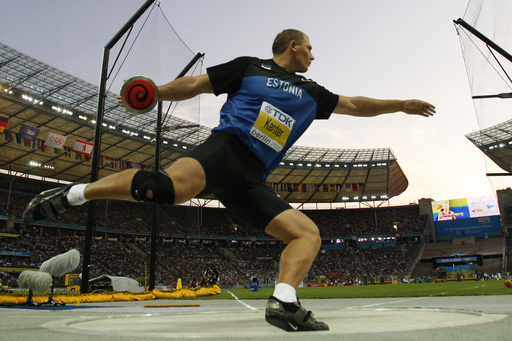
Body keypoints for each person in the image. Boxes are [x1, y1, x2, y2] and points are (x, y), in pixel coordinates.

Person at [23, 29, 435, 331]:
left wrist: (400, 105)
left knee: (307, 234)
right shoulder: (247, 68)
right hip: (226, 149)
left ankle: (284, 302)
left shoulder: (313, 91)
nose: (313, 55)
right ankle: (74, 194)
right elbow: (196, 85)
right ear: (293, 46)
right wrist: (156, 92)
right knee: (165, 190)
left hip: (252, 177)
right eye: (310, 47)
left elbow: (355, 104)